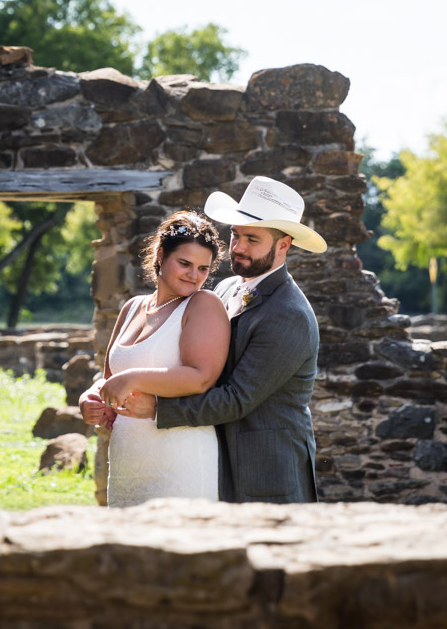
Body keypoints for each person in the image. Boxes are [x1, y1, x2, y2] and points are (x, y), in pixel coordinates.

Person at [85, 175, 325, 504]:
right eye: (236, 235)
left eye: (252, 239)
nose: (238, 247)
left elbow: (237, 398)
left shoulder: (289, 313)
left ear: (283, 245)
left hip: (265, 467)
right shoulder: (227, 288)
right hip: (211, 454)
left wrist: (157, 407)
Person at [95, 210, 229, 506]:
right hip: (127, 462)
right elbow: (108, 377)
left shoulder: (203, 305)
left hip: (180, 462)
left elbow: (201, 377)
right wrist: (91, 399)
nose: (194, 276)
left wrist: (133, 379)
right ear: (159, 255)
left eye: (203, 268)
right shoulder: (132, 307)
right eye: (184, 263)